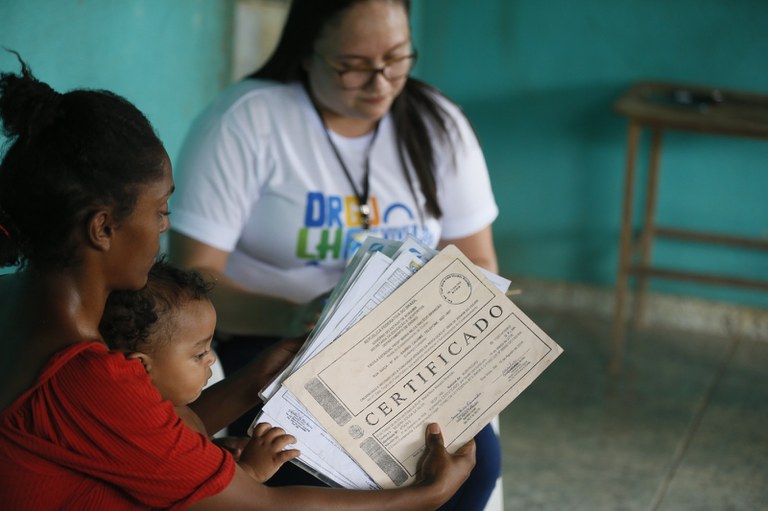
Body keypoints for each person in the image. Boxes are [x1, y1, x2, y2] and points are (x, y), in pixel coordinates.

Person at [0, 55, 475, 510]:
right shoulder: (83, 374)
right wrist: (424, 497)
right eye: (160, 210)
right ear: (103, 228)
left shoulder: (19, 301)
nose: (165, 226)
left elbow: (148, 433)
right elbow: (261, 505)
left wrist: (257, 379)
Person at [168, 0, 501, 508]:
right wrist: (293, 315)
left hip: (405, 354)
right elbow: (193, 275)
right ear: (308, 53)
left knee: (471, 466)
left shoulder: (438, 124)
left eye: (397, 58)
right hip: (275, 347)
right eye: (353, 66)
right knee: (313, 466)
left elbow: (478, 262)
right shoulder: (246, 121)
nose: (381, 82)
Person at [100, 258, 298, 474]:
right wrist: (251, 469)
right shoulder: (147, 432)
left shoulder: (164, 413)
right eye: (200, 354)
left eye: (210, 347)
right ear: (139, 366)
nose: (211, 358)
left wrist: (214, 450)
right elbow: (213, 493)